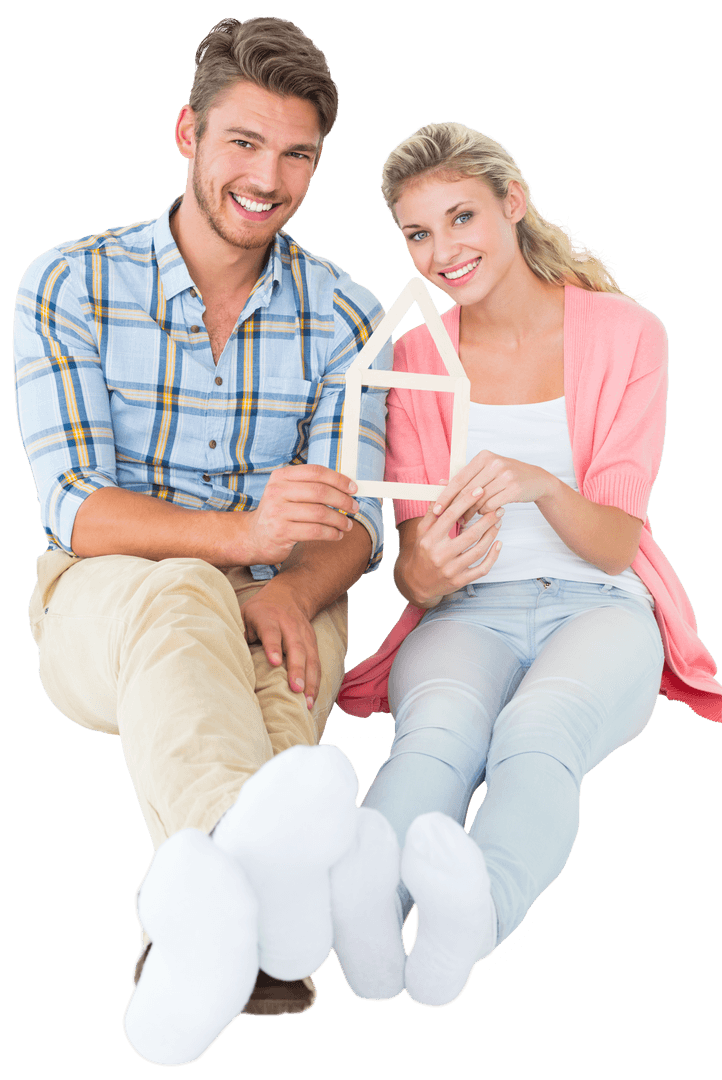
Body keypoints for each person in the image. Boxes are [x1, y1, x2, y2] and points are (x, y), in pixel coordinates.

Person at [13, 16, 391, 1066]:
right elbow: (76, 506)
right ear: (187, 132)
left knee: (273, 697)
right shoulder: (68, 283)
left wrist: (292, 581)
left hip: (282, 598)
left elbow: (359, 521)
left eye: (296, 154)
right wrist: (242, 541)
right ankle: (270, 897)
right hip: (105, 600)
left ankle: (203, 947)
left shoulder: (347, 318)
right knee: (179, 586)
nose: (266, 178)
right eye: (242, 142)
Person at [331, 122, 721, 1009]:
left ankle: (478, 910)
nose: (444, 251)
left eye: (462, 216)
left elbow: (619, 541)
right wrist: (424, 572)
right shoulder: (415, 359)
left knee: (539, 731)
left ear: (513, 205)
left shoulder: (629, 335)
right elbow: (416, 574)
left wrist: (541, 484)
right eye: (418, 233)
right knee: (436, 734)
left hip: (602, 604)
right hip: (470, 610)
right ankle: (365, 902)